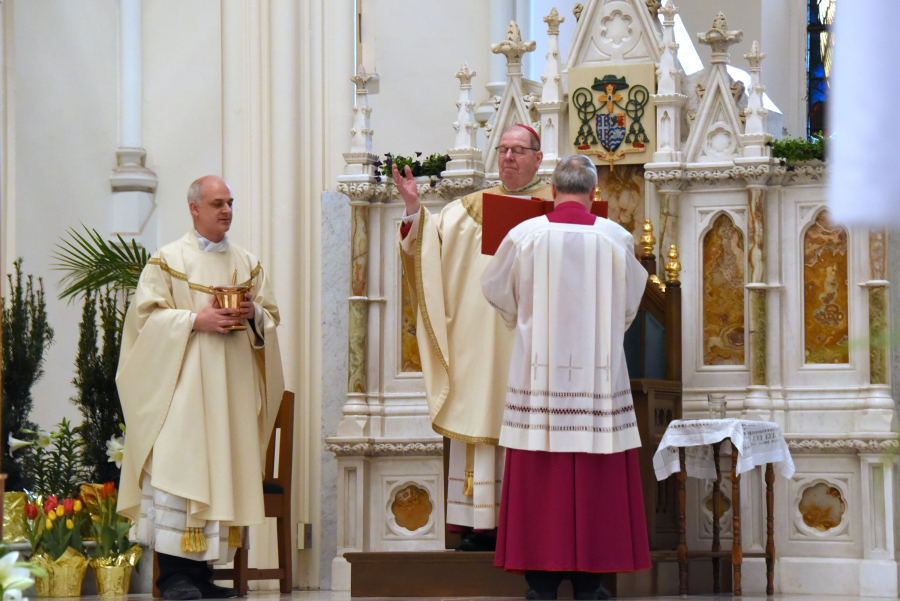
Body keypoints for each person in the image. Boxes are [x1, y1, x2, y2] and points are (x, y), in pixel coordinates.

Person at [481, 155, 651, 600]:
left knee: (542, 481)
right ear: (595, 193)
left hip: (539, 383)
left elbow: (495, 289)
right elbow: (631, 304)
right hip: (597, 384)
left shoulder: (525, 235)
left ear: (551, 192)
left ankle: (540, 585)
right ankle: (591, 585)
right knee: (596, 479)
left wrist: (526, 318)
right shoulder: (617, 238)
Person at [116, 176, 285, 600]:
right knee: (182, 473)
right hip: (183, 392)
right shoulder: (168, 259)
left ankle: (204, 578)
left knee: (220, 473)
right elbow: (143, 321)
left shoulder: (247, 263)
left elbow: (271, 319)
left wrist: (253, 314)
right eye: (217, 204)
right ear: (194, 208)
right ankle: (173, 578)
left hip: (230, 392)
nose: (226, 210)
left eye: (230, 203)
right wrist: (195, 320)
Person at [395, 124, 550, 549]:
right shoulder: (468, 210)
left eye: (519, 150)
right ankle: (482, 525)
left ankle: (533, 526)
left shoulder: (556, 208)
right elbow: (425, 245)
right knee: (481, 414)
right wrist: (413, 209)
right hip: (480, 343)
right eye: (502, 150)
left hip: (536, 345)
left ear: (539, 157)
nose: (508, 158)